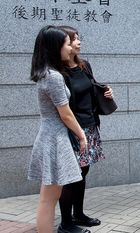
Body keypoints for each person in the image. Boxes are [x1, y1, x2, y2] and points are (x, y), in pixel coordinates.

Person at [28, 25, 87, 233]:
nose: (70, 48)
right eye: (67, 43)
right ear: (55, 47)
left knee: (49, 198)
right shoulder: (54, 76)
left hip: (50, 136)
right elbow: (66, 113)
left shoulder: (47, 73)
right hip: (55, 138)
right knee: (49, 199)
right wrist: (81, 135)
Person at [58, 26, 113, 233]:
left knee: (83, 172)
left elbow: (93, 87)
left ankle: (78, 214)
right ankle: (66, 223)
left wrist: (106, 91)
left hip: (90, 125)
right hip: (72, 129)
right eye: (74, 39)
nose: (79, 42)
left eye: (79, 38)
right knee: (71, 176)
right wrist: (76, 131)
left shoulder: (84, 65)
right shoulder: (60, 73)